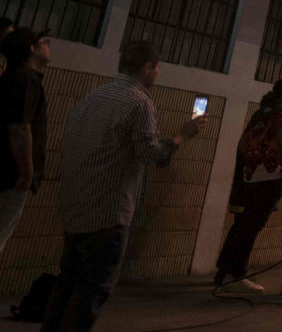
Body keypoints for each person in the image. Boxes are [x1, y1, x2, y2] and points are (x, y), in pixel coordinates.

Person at [42, 39, 202, 332]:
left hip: (75, 207)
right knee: (94, 288)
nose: (157, 75)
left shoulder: (94, 96)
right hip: (109, 211)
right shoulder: (139, 102)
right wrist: (181, 136)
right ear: (148, 68)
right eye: (157, 70)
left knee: (67, 283)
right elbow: (149, 153)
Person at [215, 78, 282, 292]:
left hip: (250, 175)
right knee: (252, 226)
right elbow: (281, 139)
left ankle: (224, 270)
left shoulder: (260, 113)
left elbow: (243, 145)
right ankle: (237, 274)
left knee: (242, 223)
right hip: (270, 177)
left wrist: (254, 161)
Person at [0, 27, 49, 255]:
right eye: (44, 42)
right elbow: (20, 128)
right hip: (11, 176)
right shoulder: (26, 80)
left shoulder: (11, 77)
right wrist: (27, 173)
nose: (48, 46)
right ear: (32, 48)